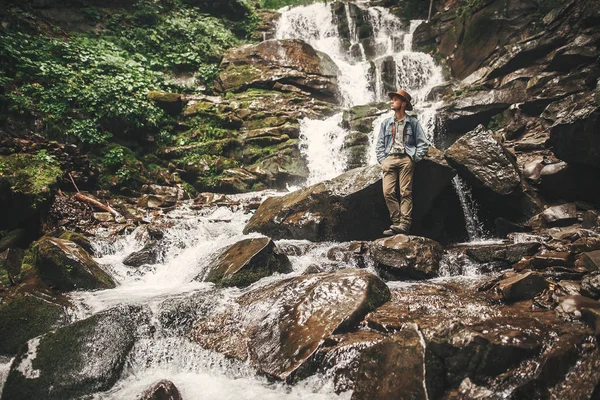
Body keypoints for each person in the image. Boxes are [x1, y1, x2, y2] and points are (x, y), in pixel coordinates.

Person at [375, 89, 429, 236]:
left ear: (403, 103)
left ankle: (404, 224)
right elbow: (379, 144)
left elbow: (423, 143)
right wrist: (383, 160)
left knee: (406, 192)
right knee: (388, 192)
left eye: (395, 100)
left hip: (406, 158)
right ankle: (396, 222)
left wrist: (414, 158)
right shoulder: (386, 123)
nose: (392, 102)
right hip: (389, 159)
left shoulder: (413, 123)